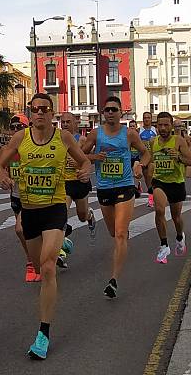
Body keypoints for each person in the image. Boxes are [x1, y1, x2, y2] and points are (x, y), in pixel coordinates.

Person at [0, 93, 91, 360]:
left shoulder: (64, 138)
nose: (39, 113)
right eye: (35, 109)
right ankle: (63, 244)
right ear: (30, 112)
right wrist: (2, 176)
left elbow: (84, 160)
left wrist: (85, 170)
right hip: (29, 212)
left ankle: (43, 333)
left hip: (55, 209)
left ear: (52, 113)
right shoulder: (20, 138)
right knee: (38, 267)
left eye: (45, 109)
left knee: (48, 269)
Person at [82, 96, 150, 298]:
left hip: (125, 186)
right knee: (113, 232)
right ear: (103, 113)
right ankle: (111, 229)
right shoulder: (96, 134)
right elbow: (78, 154)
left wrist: (140, 165)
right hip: (104, 188)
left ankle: (114, 280)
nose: (110, 113)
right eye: (107, 110)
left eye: (114, 109)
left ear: (121, 112)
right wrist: (94, 157)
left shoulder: (129, 134)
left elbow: (145, 153)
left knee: (120, 234)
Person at [146, 112, 191, 264]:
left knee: (176, 217)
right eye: (160, 125)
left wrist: (178, 157)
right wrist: (139, 165)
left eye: (166, 125)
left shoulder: (178, 141)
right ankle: (164, 244)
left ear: (171, 126)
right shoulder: (153, 142)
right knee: (159, 210)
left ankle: (180, 236)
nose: (162, 128)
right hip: (159, 182)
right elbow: (148, 159)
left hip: (176, 183)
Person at [0, 113, 40, 282]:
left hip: (36, 196)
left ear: (27, 127)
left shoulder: (35, 146)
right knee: (25, 232)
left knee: (20, 229)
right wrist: (3, 178)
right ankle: (32, 259)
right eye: (12, 127)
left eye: (19, 127)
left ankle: (36, 261)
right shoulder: (6, 150)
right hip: (16, 196)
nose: (15, 130)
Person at [61, 112, 96, 239]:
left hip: (80, 182)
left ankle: (89, 215)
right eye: (63, 122)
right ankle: (60, 244)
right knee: (61, 214)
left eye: (68, 122)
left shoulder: (81, 140)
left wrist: (79, 163)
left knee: (82, 217)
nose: (65, 124)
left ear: (75, 123)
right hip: (64, 183)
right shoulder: (57, 139)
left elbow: (92, 158)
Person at [139, 112, 158, 207]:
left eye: (148, 117)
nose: (146, 119)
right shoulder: (139, 130)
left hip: (153, 159)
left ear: (151, 119)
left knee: (152, 176)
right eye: (145, 117)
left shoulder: (155, 130)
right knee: (147, 178)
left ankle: (155, 196)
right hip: (143, 158)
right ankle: (151, 197)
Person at [129, 120, 142, 198]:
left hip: (137, 157)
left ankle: (137, 186)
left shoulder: (138, 135)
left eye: (133, 126)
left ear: (136, 127)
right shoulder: (127, 136)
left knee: (136, 172)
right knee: (129, 173)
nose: (132, 127)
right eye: (131, 126)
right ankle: (134, 187)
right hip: (129, 157)